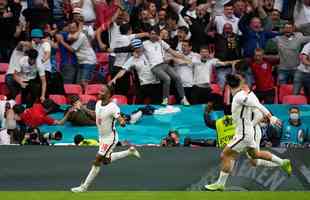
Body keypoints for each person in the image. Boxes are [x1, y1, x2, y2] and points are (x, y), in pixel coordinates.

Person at [205, 74, 292, 191]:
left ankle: (220, 183)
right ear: (238, 84)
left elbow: (258, 105)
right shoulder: (240, 94)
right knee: (255, 156)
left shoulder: (240, 96)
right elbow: (256, 103)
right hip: (247, 133)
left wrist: (270, 117)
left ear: (229, 86)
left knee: (226, 155)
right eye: (242, 81)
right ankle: (283, 162)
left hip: (243, 135)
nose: (245, 83)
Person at [71, 84, 141, 193]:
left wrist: (122, 121)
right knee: (106, 161)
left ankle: (83, 187)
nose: (99, 92)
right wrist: (83, 108)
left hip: (110, 138)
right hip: (102, 137)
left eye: (102, 91)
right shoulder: (98, 103)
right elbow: (95, 115)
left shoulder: (113, 107)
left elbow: (119, 118)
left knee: (97, 159)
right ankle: (129, 152)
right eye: (100, 90)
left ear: (108, 94)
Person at [143, 26, 190, 105]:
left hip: (164, 64)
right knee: (167, 78)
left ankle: (183, 98)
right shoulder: (144, 44)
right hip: (154, 67)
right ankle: (165, 99)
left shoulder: (161, 42)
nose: (153, 35)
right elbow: (136, 50)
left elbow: (172, 52)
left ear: (158, 34)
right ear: (149, 34)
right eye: (152, 34)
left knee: (177, 77)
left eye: (155, 34)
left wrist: (185, 58)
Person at [109, 38, 162, 104]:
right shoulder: (132, 59)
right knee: (137, 106)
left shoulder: (150, 52)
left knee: (158, 106)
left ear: (142, 46)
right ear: (133, 49)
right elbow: (123, 70)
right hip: (144, 85)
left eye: (139, 47)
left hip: (156, 84)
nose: (138, 49)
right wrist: (114, 79)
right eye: (136, 48)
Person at [56, 20, 97, 90]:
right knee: (78, 84)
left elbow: (72, 49)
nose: (71, 30)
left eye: (73, 28)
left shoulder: (81, 36)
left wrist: (62, 41)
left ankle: (86, 99)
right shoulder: (70, 35)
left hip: (88, 61)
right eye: (70, 28)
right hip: (81, 62)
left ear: (77, 28)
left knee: (83, 82)